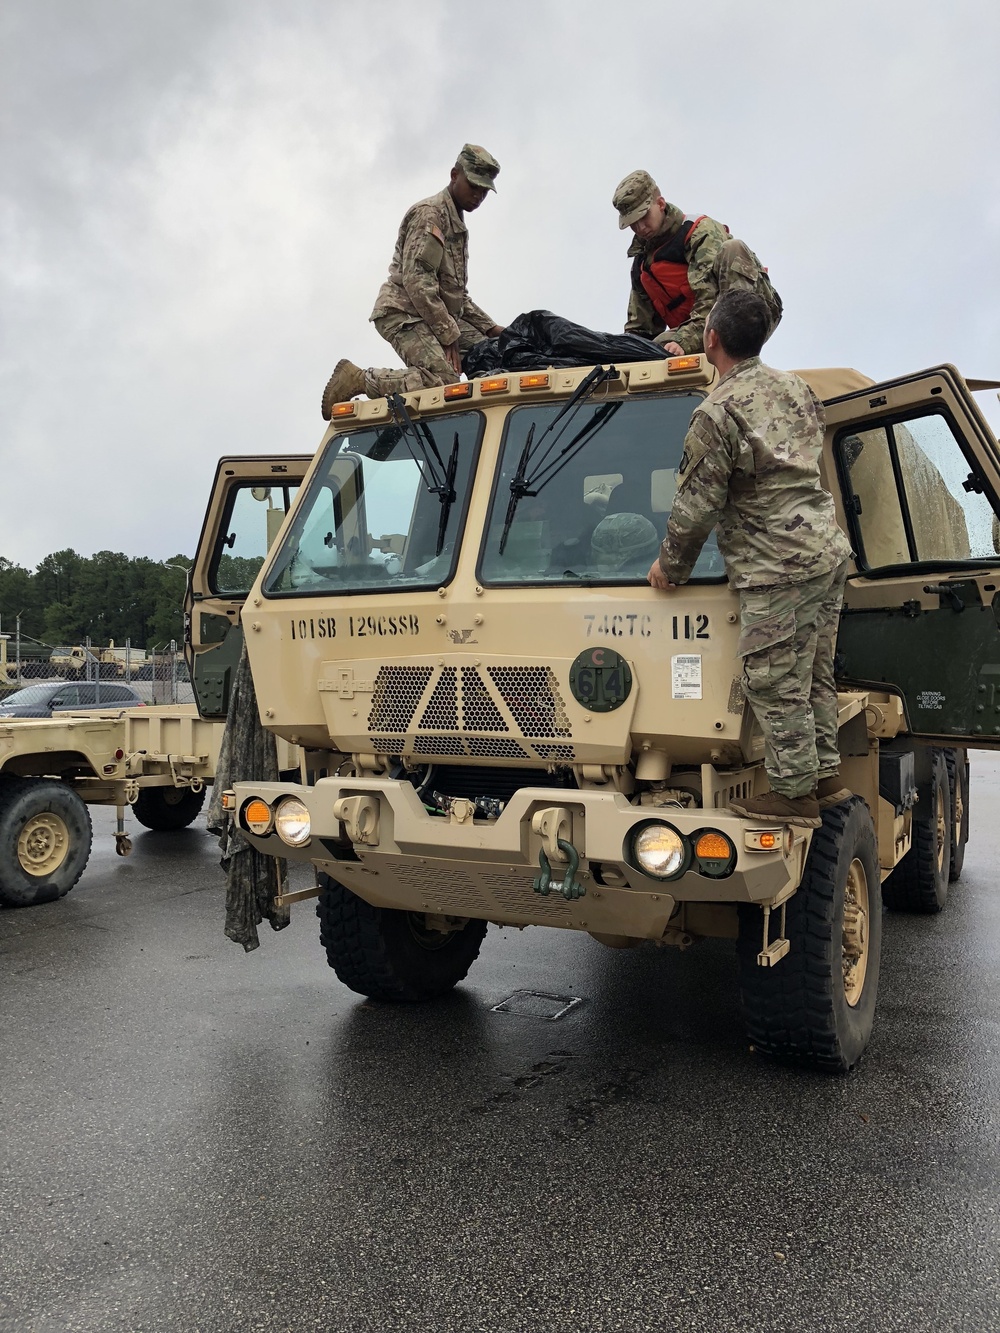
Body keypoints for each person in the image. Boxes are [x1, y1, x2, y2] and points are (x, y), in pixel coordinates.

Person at [648, 290, 852, 828]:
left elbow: (696, 508)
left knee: (770, 679)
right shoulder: (796, 389)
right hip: (827, 552)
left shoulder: (716, 412)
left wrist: (670, 568)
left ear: (710, 338)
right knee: (813, 674)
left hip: (777, 565)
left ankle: (793, 794)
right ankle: (823, 774)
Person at [321, 145, 505, 418]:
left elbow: (457, 295)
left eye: (484, 191)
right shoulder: (430, 215)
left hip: (432, 313)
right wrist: (449, 334)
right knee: (444, 382)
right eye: (473, 186)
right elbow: (417, 281)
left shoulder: (456, 222)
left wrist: (491, 329)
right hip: (404, 312)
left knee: (494, 354)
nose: (478, 196)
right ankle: (358, 378)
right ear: (455, 175)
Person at [613, 169, 782, 357]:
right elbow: (640, 330)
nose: (640, 228)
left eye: (644, 217)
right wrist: (622, 353)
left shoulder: (700, 233)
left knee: (733, 248)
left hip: (748, 317)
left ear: (660, 204)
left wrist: (684, 341)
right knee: (656, 346)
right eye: (633, 223)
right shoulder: (643, 264)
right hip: (699, 329)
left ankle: (735, 353)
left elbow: (709, 299)